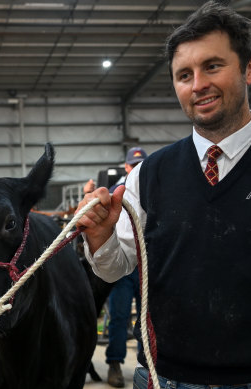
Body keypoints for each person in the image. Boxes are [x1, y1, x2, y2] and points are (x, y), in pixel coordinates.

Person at [76, 2, 251, 389]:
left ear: (249, 67)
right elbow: (118, 268)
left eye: (212, 66)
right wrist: (100, 243)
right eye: (184, 75)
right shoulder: (150, 174)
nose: (198, 84)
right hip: (159, 379)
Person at [105, 147, 147, 388]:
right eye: (134, 163)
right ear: (127, 167)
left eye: (142, 163)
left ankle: (145, 364)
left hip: (146, 264)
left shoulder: (153, 185)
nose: (137, 167)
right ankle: (114, 363)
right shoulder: (114, 191)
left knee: (146, 318)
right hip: (124, 263)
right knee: (119, 316)